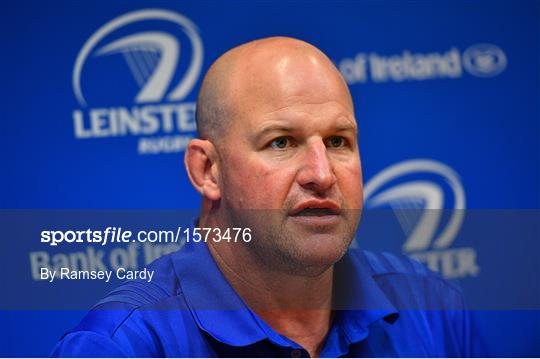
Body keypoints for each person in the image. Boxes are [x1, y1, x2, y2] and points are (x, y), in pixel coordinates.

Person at [51, 37, 481, 357]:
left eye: (337, 141)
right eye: (281, 142)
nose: (321, 174)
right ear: (207, 170)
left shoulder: (432, 308)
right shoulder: (122, 345)